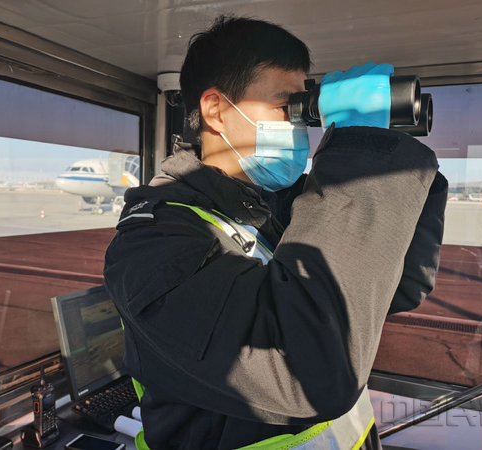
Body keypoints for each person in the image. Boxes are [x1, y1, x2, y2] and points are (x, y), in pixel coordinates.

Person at [104, 15, 447, 450]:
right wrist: (360, 151)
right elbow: (305, 374)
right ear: (216, 111)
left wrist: (383, 156)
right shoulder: (154, 244)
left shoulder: (284, 206)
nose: (299, 127)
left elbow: (403, 285)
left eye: (304, 111)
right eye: (287, 106)